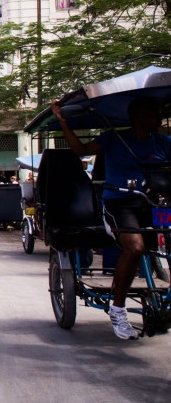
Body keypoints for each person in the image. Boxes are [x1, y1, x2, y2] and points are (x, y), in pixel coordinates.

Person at [53, 96, 171, 340]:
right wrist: (63, 122)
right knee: (135, 247)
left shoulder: (164, 142)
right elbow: (81, 151)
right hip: (121, 203)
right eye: (154, 113)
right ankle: (118, 309)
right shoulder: (114, 138)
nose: (159, 118)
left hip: (154, 203)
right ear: (138, 117)